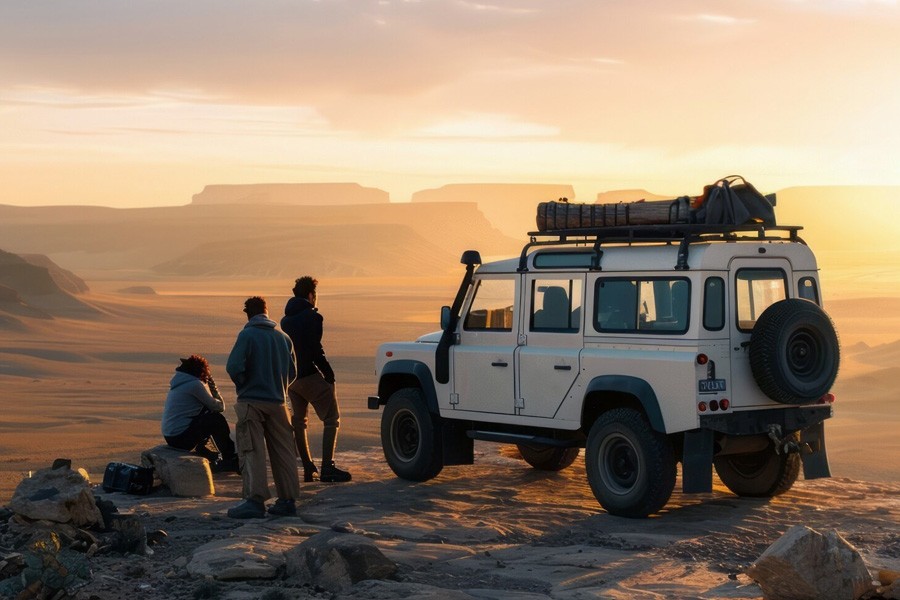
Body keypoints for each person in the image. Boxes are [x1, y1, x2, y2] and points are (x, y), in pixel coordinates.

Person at [225, 296, 301, 519]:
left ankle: (255, 501)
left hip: (252, 402)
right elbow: (293, 372)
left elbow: (234, 366)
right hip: (278, 403)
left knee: (252, 451)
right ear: (267, 312)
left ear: (248, 313)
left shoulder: (247, 335)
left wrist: (244, 384)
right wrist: (280, 388)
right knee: (284, 452)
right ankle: (288, 500)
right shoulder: (283, 337)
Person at [281, 276, 351, 483]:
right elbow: (314, 349)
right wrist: (328, 374)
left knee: (299, 422)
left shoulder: (285, 320)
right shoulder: (312, 317)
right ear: (311, 295)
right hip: (309, 375)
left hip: (291, 379)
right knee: (331, 419)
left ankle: (308, 466)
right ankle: (327, 468)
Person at [162, 354, 239, 473]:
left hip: (172, 436)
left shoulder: (181, 383)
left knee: (206, 415)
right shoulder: (195, 385)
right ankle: (229, 458)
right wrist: (212, 386)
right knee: (216, 419)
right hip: (180, 439)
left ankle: (206, 450)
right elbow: (219, 407)